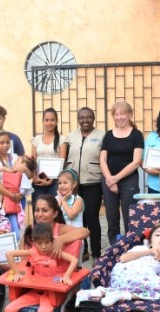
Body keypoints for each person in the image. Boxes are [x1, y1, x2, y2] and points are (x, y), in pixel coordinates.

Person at [3, 223, 78, 312]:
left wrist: (66, 276)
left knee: (44, 311)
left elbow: (74, 260)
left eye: (47, 243)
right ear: (34, 242)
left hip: (51, 293)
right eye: (40, 243)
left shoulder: (54, 251)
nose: (43, 247)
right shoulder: (33, 252)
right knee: (9, 308)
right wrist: (16, 273)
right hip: (35, 291)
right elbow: (9, 254)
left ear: (51, 241)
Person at [75, 223, 160, 307]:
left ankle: (101, 291)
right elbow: (123, 258)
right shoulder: (141, 248)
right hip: (122, 276)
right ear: (150, 241)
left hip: (141, 282)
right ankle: (122, 294)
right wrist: (150, 251)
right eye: (157, 235)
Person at [100, 101, 144, 245]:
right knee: (112, 218)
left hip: (128, 180)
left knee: (130, 217)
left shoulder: (137, 135)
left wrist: (116, 179)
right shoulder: (108, 135)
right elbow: (102, 159)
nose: (119, 117)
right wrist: (109, 179)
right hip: (108, 179)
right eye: (116, 114)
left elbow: (136, 161)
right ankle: (114, 247)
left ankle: (131, 247)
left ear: (129, 115)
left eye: (122, 114)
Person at [65, 107, 105, 259]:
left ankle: (96, 253)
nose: (85, 120)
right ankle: (83, 250)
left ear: (93, 118)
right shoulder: (70, 136)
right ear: (78, 119)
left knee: (91, 217)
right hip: (74, 184)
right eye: (82, 117)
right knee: (76, 219)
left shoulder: (102, 136)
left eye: (88, 117)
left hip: (93, 182)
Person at [23, 195, 91, 262]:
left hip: (61, 271)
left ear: (55, 214)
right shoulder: (30, 231)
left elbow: (85, 231)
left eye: (45, 210)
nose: (40, 214)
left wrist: (61, 239)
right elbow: (23, 261)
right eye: (37, 210)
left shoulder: (59, 229)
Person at [0, 131, 28, 235]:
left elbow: (29, 175)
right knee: (13, 233)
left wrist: (24, 168)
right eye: (1, 143)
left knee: (18, 228)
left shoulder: (14, 157)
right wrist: (11, 195)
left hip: (19, 198)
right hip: (4, 200)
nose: (5, 145)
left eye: (7, 142)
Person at [31, 108, 68, 205]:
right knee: (38, 212)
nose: (49, 123)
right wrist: (35, 177)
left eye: (52, 120)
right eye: (47, 120)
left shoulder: (62, 140)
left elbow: (62, 162)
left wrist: (51, 181)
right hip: (38, 181)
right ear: (43, 121)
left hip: (55, 183)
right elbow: (32, 161)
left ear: (57, 121)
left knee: (53, 211)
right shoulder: (36, 140)